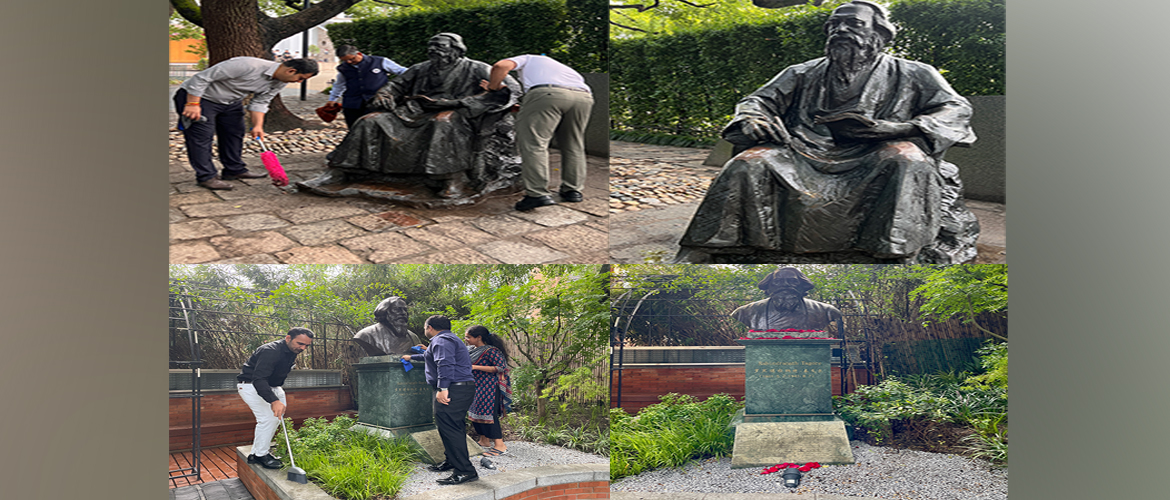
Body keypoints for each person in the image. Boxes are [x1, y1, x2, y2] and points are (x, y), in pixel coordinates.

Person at [674, 0, 979, 264]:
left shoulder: (915, 72)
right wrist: (753, 118)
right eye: (834, 24)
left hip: (876, 153)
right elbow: (756, 101)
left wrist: (898, 128)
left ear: (879, 33)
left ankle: (896, 253)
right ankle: (712, 247)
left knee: (906, 159)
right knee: (748, 163)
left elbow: (955, 110)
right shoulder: (801, 72)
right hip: (800, 151)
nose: (841, 30)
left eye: (853, 24)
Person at [306, 33, 521, 199]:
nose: (433, 50)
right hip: (416, 110)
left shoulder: (476, 68)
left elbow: (511, 88)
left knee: (442, 122)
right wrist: (384, 93)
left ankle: (450, 179)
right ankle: (341, 171)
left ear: (456, 49)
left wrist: (469, 99)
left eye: (440, 46)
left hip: (458, 111)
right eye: (431, 46)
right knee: (368, 121)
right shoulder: (421, 68)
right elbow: (397, 84)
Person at [174, 56, 319, 190]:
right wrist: (192, 103)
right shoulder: (246, 65)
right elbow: (201, 78)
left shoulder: (280, 81)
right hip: (199, 98)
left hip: (231, 102)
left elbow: (261, 102)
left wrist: (258, 126)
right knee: (201, 137)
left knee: (235, 133)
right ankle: (206, 177)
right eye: (300, 78)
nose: (299, 82)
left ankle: (234, 170)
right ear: (291, 70)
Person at [483, 54, 594, 211]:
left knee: (534, 144)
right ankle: (573, 191)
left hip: (547, 94)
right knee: (573, 144)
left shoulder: (528, 58)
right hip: (583, 97)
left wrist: (492, 88)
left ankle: (537, 194)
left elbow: (500, 66)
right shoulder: (561, 69)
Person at [402, 315, 478, 485]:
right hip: (460, 387)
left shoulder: (441, 340)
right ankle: (452, 461)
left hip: (453, 388)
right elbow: (432, 358)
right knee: (450, 427)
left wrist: (443, 388)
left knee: (451, 428)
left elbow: (444, 363)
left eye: (424, 327)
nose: (424, 330)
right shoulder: (447, 339)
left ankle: (465, 471)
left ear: (430, 327)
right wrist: (411, 357)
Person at [236, 327, 314, 469]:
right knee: (268, 419)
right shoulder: (270, 351)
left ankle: (256, 454)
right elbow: (258, 379)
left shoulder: (291, 350)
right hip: (251, 386)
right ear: (288, 338)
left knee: (275, 419)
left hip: (273, 387)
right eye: (300, 343)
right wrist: (274, 400)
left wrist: (276, 395)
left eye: (306, 345)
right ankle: (261, 455)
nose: (303, 348)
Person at [731, 267, 842, 333]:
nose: (785, 285)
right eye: (778, 281)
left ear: (803, 286)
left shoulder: (826, 311)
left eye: (792, 281)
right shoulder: (746, 312)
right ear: (769, 287)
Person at [323, 45, 408, 128]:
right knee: (354, 127)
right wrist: (332, 99)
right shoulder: (343, 68)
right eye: (346, 61)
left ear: (359, 54)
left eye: (351, 59)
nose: (349, 62)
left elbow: (402, 71)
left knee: (378, 127)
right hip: (352, 102)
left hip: (377, 101)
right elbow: (339, 85)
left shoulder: (380, 61)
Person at [463, 325, 511, 456]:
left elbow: (501, 367)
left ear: (479, 338)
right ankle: (484, 441)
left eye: (468, 337)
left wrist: (475, 367)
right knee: (475, 414)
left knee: (488, 415)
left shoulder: (491, 351)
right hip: (476, 386)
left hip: (489, 387)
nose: (465, 339)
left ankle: (500, 445)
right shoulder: (471, 350)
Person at [352, 296, 424, 356]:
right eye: (397, 309)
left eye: (405, 310)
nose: (403, 313)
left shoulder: (414, 338)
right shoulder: (366, 335)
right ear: (384, 312)